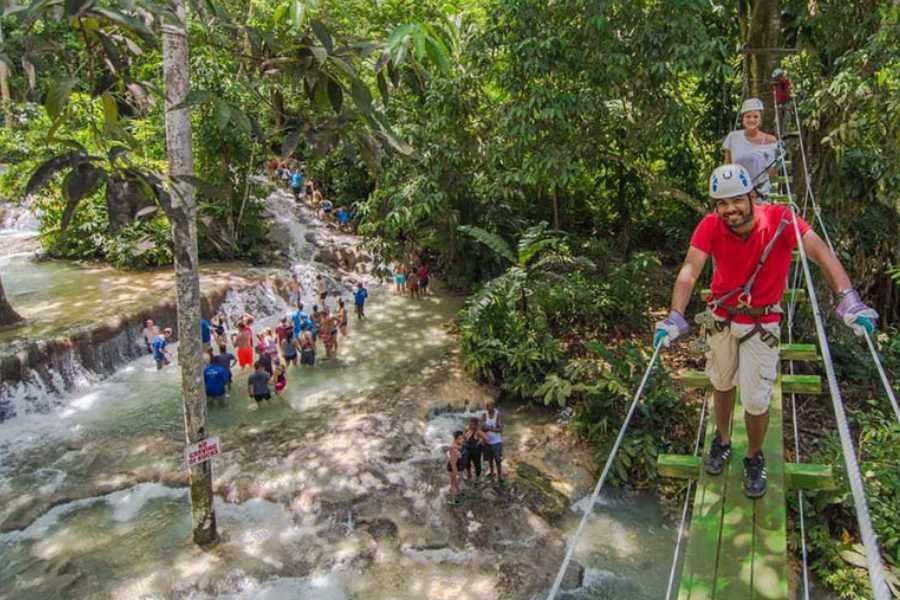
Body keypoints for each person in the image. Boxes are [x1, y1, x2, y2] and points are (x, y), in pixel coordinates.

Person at [654, 164, 878, 498]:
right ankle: (722, 439)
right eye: (722, 203)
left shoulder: (782, 220)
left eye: (737, 201)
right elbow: (690, 269)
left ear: (752, 196)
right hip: (722, 317)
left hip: (761, 322)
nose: (730, 209)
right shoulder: (710, 226)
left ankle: (754, 455)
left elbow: (820, 253)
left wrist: (848, 299)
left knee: (757, 399)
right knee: (720, 381)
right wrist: (675, 315)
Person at [722, 98, 779, 200]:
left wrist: (756, 191)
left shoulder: (770, 140)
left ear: (760, 119)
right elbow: (727, 166)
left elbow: (771, 171)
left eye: (755, 117)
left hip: (759, 194)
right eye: (748, 117)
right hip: (737, 193)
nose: (752, 120)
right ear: (743, 119)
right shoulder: (733, 137)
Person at [483, 401, 504, 484]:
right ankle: (491, 472)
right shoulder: (485, 415)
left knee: (498, 460)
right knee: (490, 459)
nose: (488, 408)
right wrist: (490, 428)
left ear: (493, 406)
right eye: (487, 407)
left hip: (497, 442)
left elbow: (501, 429)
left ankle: (499, 476)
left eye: (489, 406)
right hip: (487, 441)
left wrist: (489, 428)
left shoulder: (498, 415)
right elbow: (482, 427)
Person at [462, 416, 488, 483]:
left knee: (477, 464)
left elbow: (486, 438)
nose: (470, 425)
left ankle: (477, 477)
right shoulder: (467, 429)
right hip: (467, 449)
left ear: (476, 424)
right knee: (467, 462)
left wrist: (481, 441)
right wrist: (464, 439)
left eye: (471, 424)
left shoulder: (478, 432)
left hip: (476, 451)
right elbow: (463, 438)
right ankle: (469, 474)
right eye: (469, 423)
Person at [447, 430, 465, 505]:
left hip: (458, 466)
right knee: (453, 484)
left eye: (462, 438)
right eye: (460, 438)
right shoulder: (454, 449)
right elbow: (453, 463)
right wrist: (456, 474)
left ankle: (458, 493)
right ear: (456, 439)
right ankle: (453, 501)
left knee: (457, 482)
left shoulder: (457, 444)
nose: (463, 440)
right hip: (454, 468)